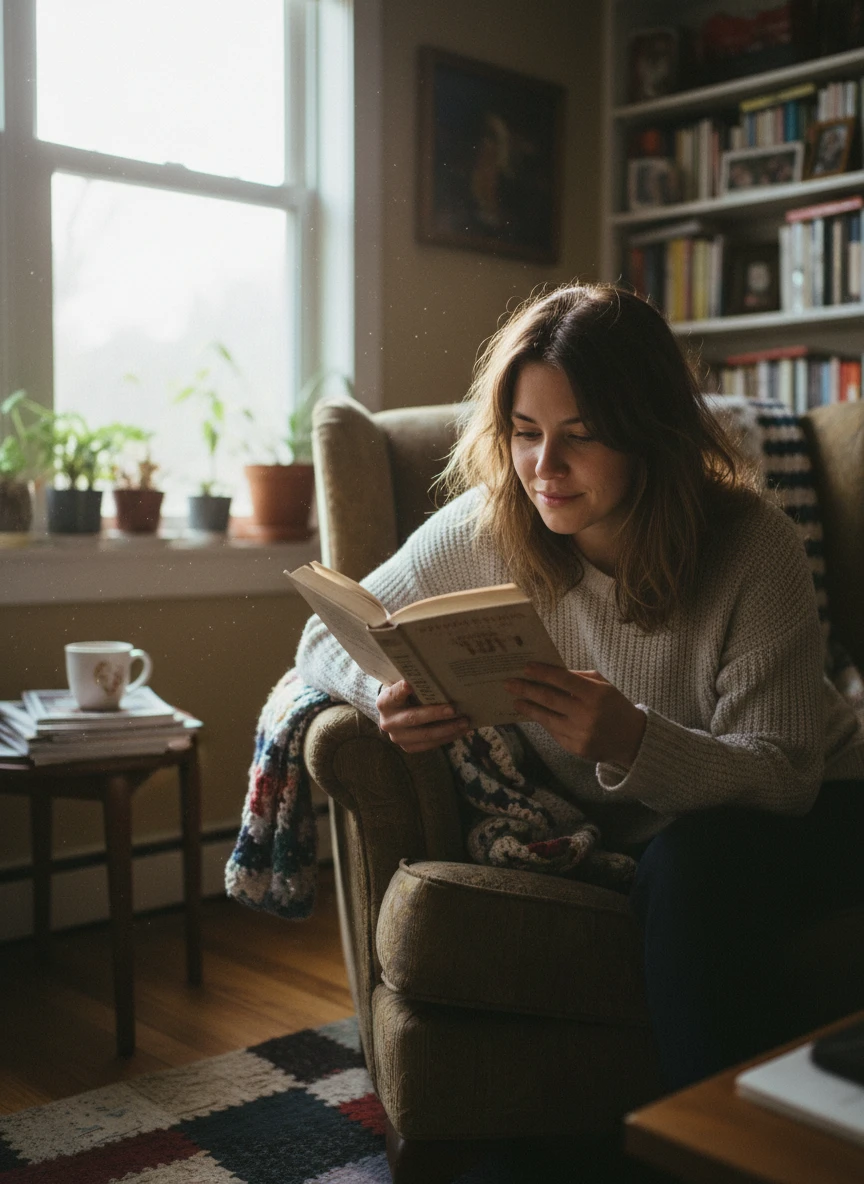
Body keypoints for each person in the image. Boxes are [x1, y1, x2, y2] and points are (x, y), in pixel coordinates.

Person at [295, 283, 864, 1091]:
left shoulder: (750, 545)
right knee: (678, 861)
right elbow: (325, 632)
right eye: (525, 433)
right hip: (648, 833)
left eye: (580, 436)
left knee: (692, 866)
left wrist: (633, 741)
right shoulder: (487, 530)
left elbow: (784, 775)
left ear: (648, 435)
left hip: (821, 805)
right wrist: (380, 690)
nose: (543, 468)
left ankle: (703, 1141)